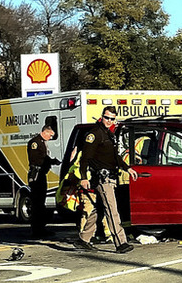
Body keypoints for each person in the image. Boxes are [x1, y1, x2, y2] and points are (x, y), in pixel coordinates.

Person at [74, 106, 138, 253]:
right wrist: (83, 177)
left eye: (112, 118)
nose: (109, 121)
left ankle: (83, 238)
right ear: (102, 116)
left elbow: (116, 157)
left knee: (101, 210)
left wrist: (127, 168)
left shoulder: (109, 134)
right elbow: (85, 159)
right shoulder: (95, 134)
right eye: (107, 117)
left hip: (110, 176)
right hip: (102, 178)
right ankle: (121, 242)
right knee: (112, 210)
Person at [27, 124, 60, 238]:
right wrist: (49, 162)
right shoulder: (35, 143)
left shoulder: (42, 142)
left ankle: (41, 228)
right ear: (45, 132)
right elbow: (36, 159)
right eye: (50, 135)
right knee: (37, 203)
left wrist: (52, 161)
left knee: (41, 203)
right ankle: (36, 230)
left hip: (42, 175)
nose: (50, 138)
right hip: (37, 175)